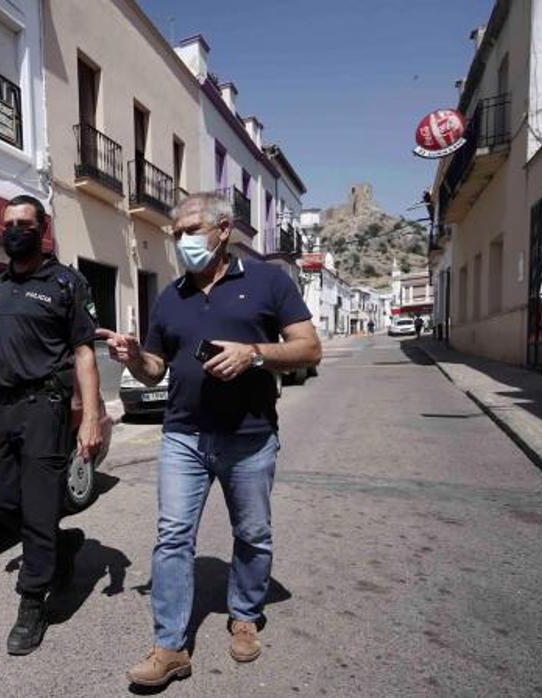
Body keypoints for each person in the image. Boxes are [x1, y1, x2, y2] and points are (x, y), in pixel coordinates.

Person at [99, 192, 321, 687]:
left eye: (191, 230)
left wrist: (255, 354)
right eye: (176, 234)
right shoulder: (170, 296)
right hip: (183, 435)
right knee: (172, 537)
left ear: (223, 230)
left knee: (253, 534)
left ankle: (244, 614)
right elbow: (155, 371)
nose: (182, 241)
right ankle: (170, 646)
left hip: (250, 435)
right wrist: (134, 356)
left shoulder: (267, 281)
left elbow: (309, 346)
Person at [0, 194, 104, 655]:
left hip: (46, 405)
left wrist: (92, 417)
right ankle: (60, 548)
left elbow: (84, 352)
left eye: (23, 223)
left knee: (40, 507)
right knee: (4, 500)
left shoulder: (66, 283)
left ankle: (32, 602)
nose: (13, 230)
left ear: (41, 230)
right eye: (7, 224)